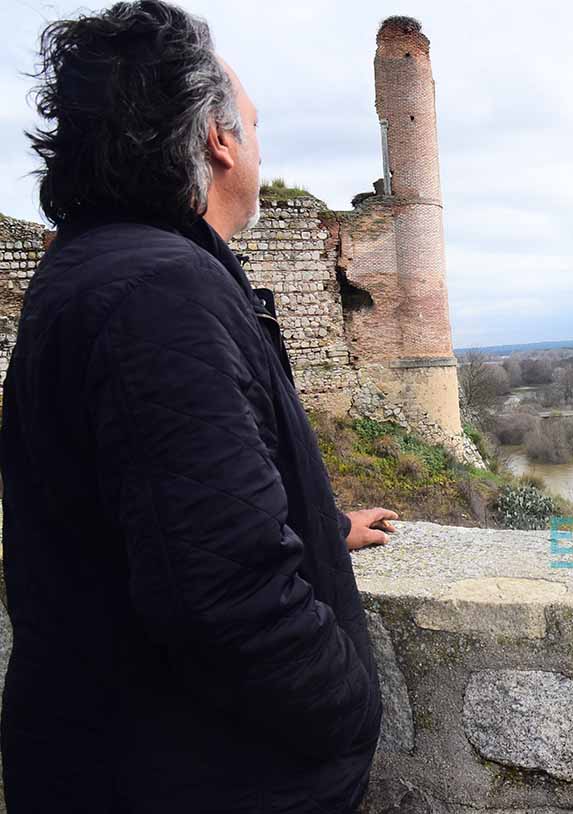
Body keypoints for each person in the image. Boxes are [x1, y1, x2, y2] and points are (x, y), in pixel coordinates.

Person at [0, 2, 398, 811]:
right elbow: (222, 598)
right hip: (199, 775)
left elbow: (148, 496)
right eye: (252, 123)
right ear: (219, 141)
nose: (257, 141)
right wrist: (351, 714)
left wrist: (317, 530)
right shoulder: (159, 291)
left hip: (111, 759)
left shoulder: (89, 268)